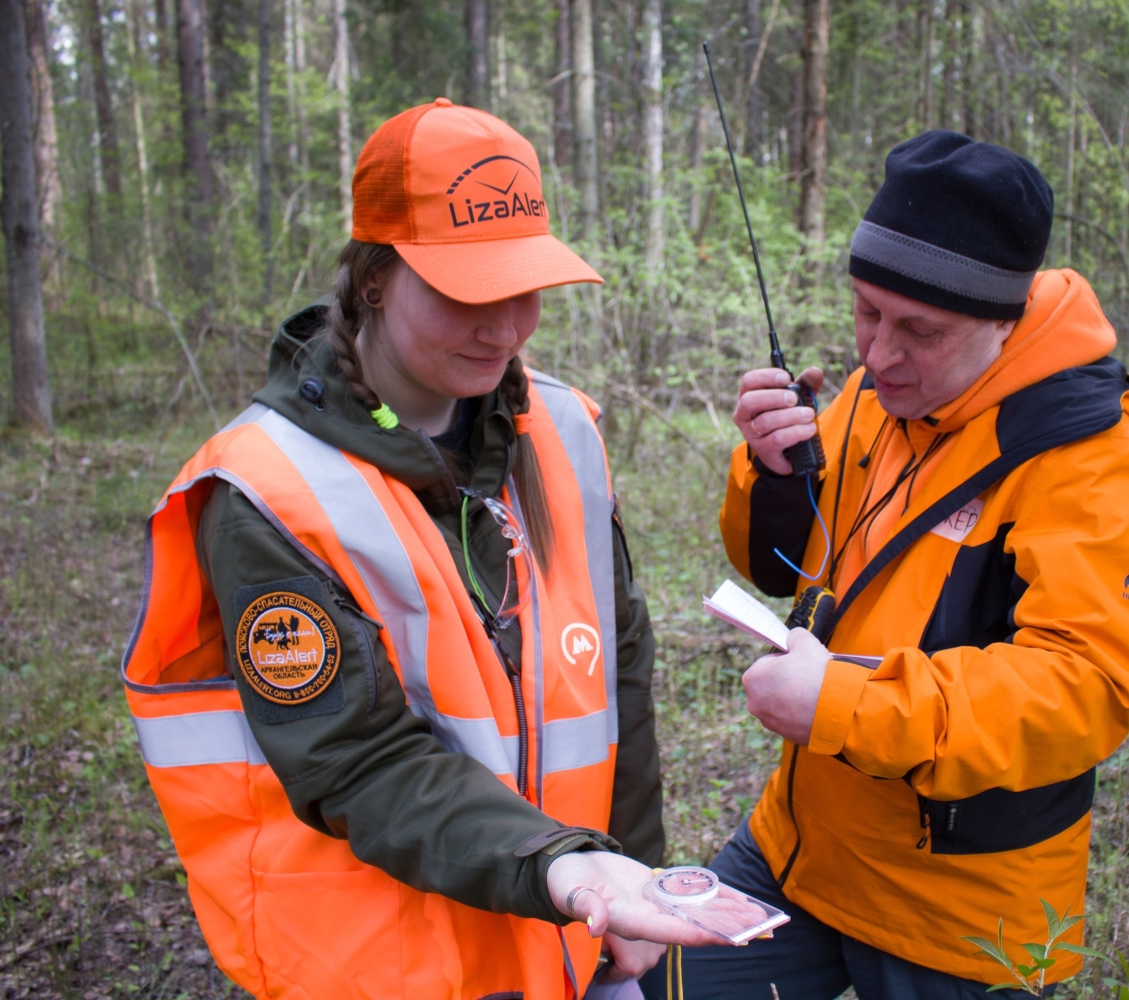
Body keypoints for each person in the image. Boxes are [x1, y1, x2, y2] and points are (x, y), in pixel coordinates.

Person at [122, 99, 734, 1000]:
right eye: (465, 295)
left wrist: (627, 879)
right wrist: (569, 870)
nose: (504, 327)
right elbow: (356, 759)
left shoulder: (560, 432)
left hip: (571, 934)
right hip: (385, 965)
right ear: (374, 278)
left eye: (523, 289)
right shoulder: (264, 488)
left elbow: (617, 682)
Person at [642, 133, 1129, 998]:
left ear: (1003, 326)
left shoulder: (1098, 466)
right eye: (866, 311)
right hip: (802, 844)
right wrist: (773, 471)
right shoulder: (877, 399)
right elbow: (780, 566)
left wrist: (844, 705)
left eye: (919, 331)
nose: (876, 354)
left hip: (964, 912)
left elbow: (1083, 693)